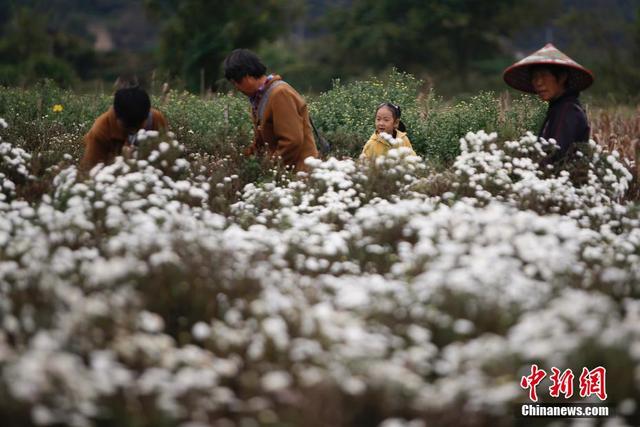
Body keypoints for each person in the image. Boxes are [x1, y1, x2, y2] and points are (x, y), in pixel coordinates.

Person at [223, 49, 319, 171]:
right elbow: (261, 144)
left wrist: (268, 168)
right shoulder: (260, 98)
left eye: (236, 82)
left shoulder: (279, 94)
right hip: (287, 173)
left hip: (299, 174)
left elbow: (292, 141)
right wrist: (241, 160)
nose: (237, 88)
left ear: (247, 76)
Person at [503, 43, 594, 165]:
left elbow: (555, 156)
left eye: (544, 75)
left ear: (562, 77)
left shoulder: (568, 110)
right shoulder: (558, 108)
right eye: (534, 77)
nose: (538, 83)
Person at [79, 82, 168, 171]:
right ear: (116, 115)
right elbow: (90, 171)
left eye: (138, 125)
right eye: (127, 126)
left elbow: (165, 160)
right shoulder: (100, 130)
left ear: (147, 115)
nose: (134, 130)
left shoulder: (157, 119)